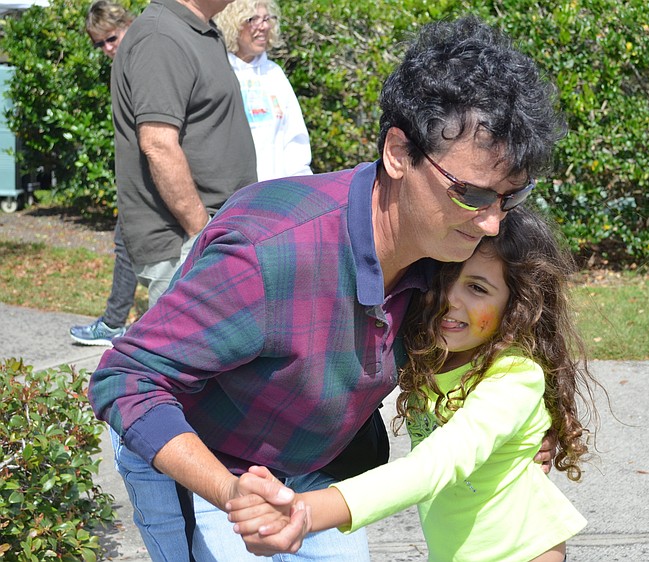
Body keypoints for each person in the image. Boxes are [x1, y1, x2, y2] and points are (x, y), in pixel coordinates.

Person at [88, 15, 562, 561]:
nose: (492, 224)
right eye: (472, 195)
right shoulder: (269, 251)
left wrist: (523, 430)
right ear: (399, 153)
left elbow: (492, 347)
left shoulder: (446, 257)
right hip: (213, 469)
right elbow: (127, 378)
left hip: (315, 472)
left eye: (509, 199)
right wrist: (229, 491)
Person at [228, 207, 599, 561]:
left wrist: (308, 510)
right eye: (446, 277)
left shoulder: (513, 376)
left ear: (517, 306)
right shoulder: (430, 349)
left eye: (478, 289)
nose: (451, 298)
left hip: (523, 549)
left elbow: (433, 466)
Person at [110, 0, 257, 308]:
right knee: (185, 354)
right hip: (185, 245)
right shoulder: (160, 36)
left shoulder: (201, 30)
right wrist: (202, 233)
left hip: (216, 234)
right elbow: (158, 145)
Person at [69, 0, 137, 346]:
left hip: (151, 178)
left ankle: (115, 324)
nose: (107, 49)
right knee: (126, 242)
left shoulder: (140, 58)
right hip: (139, 179)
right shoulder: (126, 61)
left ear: (126, 23)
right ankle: (115, 321)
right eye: (99, 44)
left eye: (110, 38)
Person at [215, 0, 312, 181]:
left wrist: (302, 183)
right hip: (234, 194)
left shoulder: (274, 74)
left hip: (277, 194)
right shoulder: (219, 71)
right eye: (253, 19)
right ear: (233, 24)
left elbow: (295, 137)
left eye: (267, 19)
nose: (264, 26)